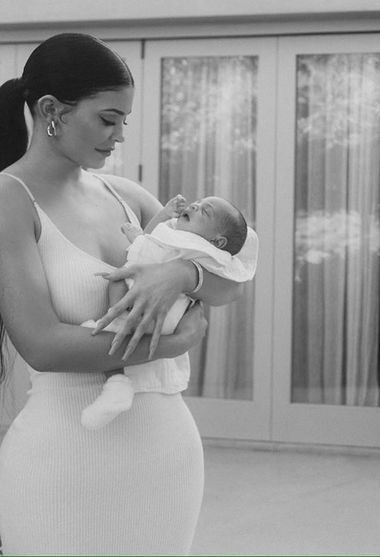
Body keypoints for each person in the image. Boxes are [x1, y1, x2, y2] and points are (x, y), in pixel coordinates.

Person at [0, 33, 245, 555]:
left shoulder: (126, 195)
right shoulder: (9, 199)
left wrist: (182, 278)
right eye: (107, 119)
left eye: (123, 123)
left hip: (164, 453)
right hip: (63, 459)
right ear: (51, 111)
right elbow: (42, 344)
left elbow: (227, 283)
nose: (117, 137)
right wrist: (172, 343)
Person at [80, 193, 258, 430]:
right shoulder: (186, 244)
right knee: (121, 297)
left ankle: (115, 364)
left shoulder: (198, 250)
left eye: (204, 211)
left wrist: (150, 240)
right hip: (164, 316)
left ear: (218, 241)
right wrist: (162, 216)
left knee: (117, 281)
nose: (195, 205)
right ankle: (116, 381)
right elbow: (150, 242)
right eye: (199, 202)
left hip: (158, 308)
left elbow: (147, 245)